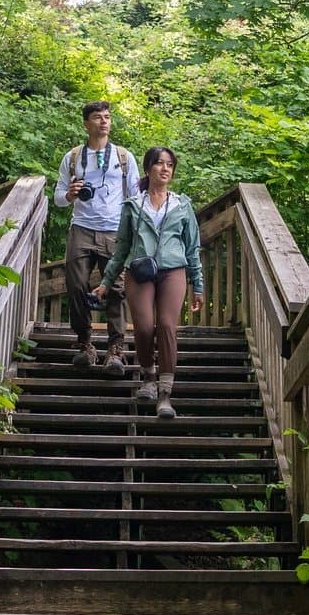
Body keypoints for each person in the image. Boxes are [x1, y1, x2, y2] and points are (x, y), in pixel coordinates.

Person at [91, 146, 203, 419]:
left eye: (169, 165)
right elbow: (121, 248)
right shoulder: (133, 205)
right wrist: (106, 282)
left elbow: (192, 248)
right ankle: (148, 376)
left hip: (173, 270)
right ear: (148, 168)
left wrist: (198, 285)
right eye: (159, 163)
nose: (165, 169)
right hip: (139, 271)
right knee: (143, 327)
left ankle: (165, 394)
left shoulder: (182, 205)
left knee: (166, 325)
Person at [53, 101, 142, 375]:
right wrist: (70, 194)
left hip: (114, 230)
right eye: (97, 117)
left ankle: (116, 350)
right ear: (86, 124)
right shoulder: (73, 157)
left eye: (107, 117)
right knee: (76, 285)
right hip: (81, 227)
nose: (104, 121)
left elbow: (136, 196)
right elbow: (58, 198)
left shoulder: (124, 157)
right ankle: (85, 344)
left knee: (116, 288)